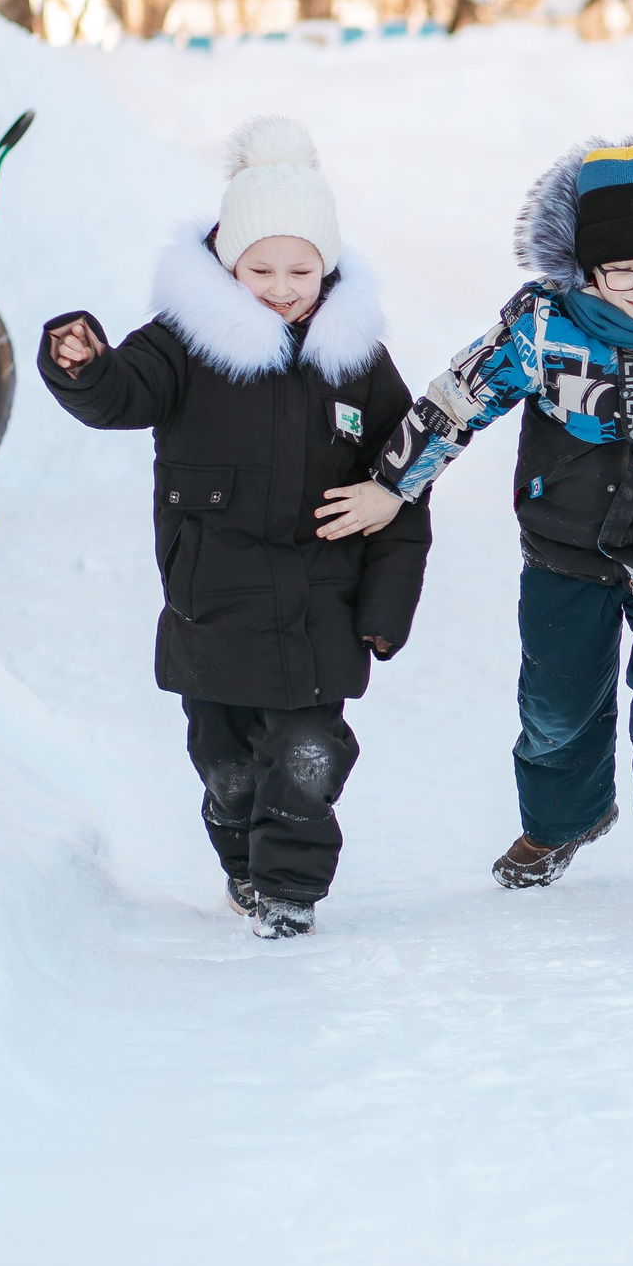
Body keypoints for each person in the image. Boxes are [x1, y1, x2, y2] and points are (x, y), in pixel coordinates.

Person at [319, 139, 633, 895]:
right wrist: (395, 483)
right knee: (557, 703)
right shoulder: (541, 329)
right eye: (624, 271)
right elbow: (457, 400)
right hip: (563, 539)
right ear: (587, 269)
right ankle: (564, 820)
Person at [39, 115, 430, 940]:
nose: (283, 286)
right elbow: (122, 395)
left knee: (307, 758)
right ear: (226, 261)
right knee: (225, 768)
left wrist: (385, 616)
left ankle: (289, 891)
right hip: (212, 604)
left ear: (328, 267)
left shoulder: (357, 358)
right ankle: (246, 869)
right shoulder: (185, 344)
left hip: (321, 608)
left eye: (302, 269)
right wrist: (84, 367)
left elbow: (404, 489)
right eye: (261, 268)